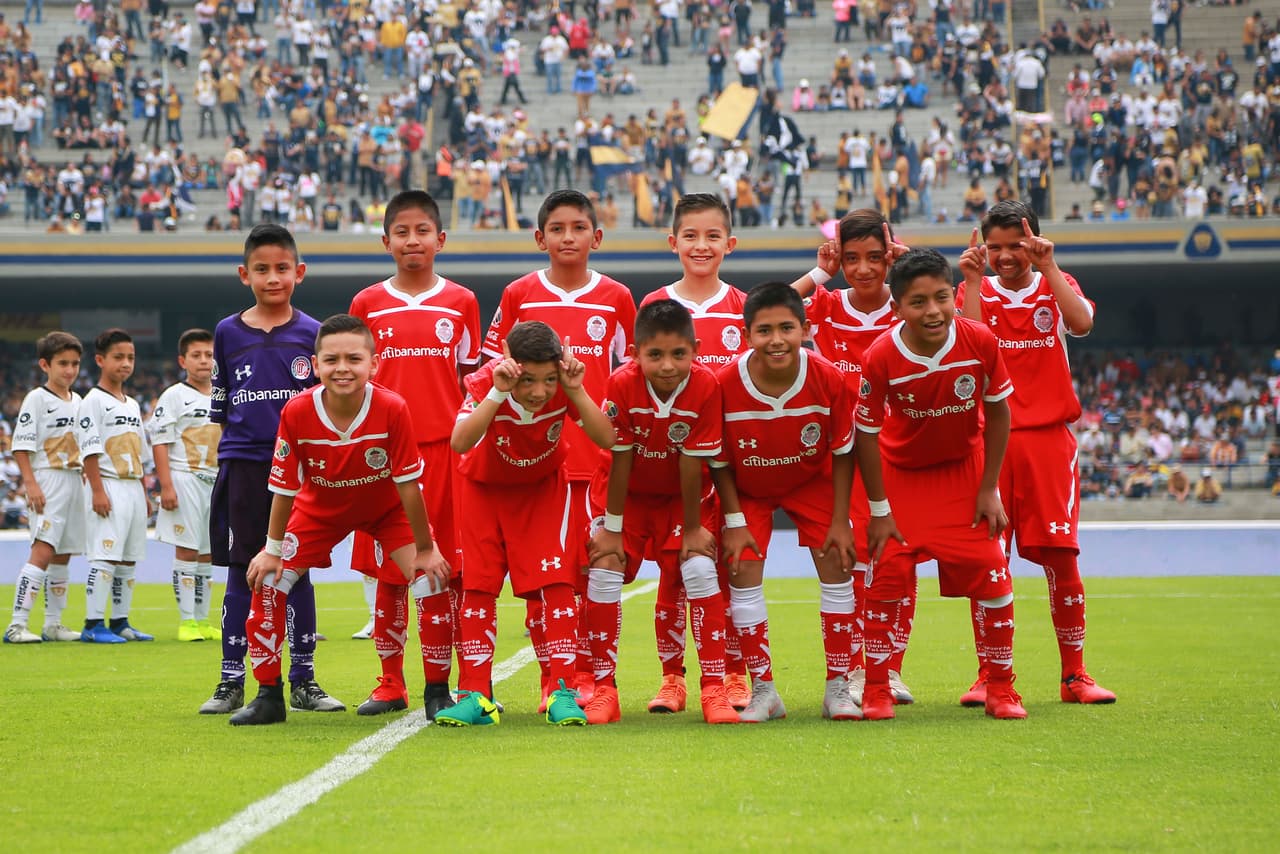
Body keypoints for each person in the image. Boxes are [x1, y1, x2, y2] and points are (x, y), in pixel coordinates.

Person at [230, 315, 451, 726]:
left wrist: (425, 548)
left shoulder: (392, 407)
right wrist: (272, 550)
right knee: (268, 581)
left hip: (386, 511)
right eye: (331, 360)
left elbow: (408, 487)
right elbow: (283, 488)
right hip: (320, 511)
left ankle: (438, 691)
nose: (343, 368)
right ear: (315, 366)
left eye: (354, 358)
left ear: (374, 363)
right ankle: (268, 696)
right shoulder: (297, 412)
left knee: (431, 579)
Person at [480, 190, 637, 711]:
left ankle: (597, 679)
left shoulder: (616, 297)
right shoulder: (518, 294)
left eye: (578, 228)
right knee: (548, 575)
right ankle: (556, 680)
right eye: (557, 228)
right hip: (532, 459)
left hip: (592, 458)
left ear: (597, 236)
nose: (567, 237)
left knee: (593, 573)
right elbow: (492, 375)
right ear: (539, 237)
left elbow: (630, 376)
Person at [957, 200, 1116, 706]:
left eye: (1015, 245)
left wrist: (1048, 266)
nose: (1005, 256)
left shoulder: (1055, 281)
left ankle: (1075, 676)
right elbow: (968, 345)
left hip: (1048, 440)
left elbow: (1084, 324)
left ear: (1035, 241)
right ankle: (989, 675)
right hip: (988, 442)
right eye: (995, 246)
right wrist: (977, 283)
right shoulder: (972, 289)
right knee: (987, 559)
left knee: (1061, 557)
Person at [856, 248, 1025, 720]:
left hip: (965, 475)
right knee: (886, 579)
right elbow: (865, 435)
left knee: (994, 573)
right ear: (897, 308)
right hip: (903, 478)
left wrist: (989, 487)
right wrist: (879, 507)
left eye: (942, 298)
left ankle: (1001, 688)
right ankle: (876, 689)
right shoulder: (882, 355)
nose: (933, 311)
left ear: (956, 296)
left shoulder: (980, 341)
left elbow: (998, 412)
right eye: (918, 302)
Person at [437, 322, 616, 727]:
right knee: (478, 589)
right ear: (509, 363)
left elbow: (606, 437)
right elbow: (460, 442)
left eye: (548, 379)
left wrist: (574, 389)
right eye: (529, 380)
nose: (539, 392)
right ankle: (476, 697)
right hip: (484, 494)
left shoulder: (564, 386)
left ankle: (561, 692)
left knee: (557, 589)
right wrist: (499, 392)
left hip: (542, 494)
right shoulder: (488, 382)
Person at [199, 224, 344, 716]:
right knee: (243, 572)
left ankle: (303, 678)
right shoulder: (226, 332)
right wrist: (226, 463)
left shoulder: (313, 334)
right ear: (245, 274)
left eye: (282, 268)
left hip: (299, 471)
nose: (272, 277)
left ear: (299, 273)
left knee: (295, 572)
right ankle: (231, 679)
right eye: (262, 269)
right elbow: (222, 409)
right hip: (244, 465)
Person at [347, 191, 482, 721]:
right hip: (381, 457)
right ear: (386, 241)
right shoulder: (366, 304)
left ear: (440, 240)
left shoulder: (463, 301)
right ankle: (388, 682)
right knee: (388, 577)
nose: (412, 241)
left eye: (422, 231)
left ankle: (440, 682)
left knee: (443, 569)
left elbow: (472, 382)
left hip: (444, 454)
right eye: (402, 232)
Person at [584, 300, 740, 725]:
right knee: (604, 566)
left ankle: (709, 687)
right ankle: (603, 689)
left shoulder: (707, 386)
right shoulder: (621, 383)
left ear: (696, 349)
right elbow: (620, 457)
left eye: (678, 354)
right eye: (655, 355)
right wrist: (612, 529)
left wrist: (692, 528)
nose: (667, 365)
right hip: (626, 494)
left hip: (680, 496)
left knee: (696, 569)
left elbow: (693, 461)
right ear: (634, 353)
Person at [711, 282, 860, 723]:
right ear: (746, 335)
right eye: (764, 330)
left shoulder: (828, 377)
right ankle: (764, 690)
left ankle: (837, 686)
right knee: (741, 568)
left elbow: (843, 451)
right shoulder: (723, 384)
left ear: (805, 329)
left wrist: (840, 519)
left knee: (838, 561)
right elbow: (718, 462)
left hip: (810, 482)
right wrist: (735, 520)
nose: (776, 339)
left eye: (786, 328)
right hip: (749, 488)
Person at [788, 209, 916, 707]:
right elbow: (764, 310)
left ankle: (892, 667)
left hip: (897, 450)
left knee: (896, 562)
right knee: (856, 561)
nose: (864, 269)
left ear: (890, 255)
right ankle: (861, 667)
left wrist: (908, 274)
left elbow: (948, 318)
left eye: (876, 258)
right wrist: (820, 272)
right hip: (842, 452)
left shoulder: (906, 305)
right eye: (851, 258)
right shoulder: (827, 303)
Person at [637, 193, 751, 712]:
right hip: (671, 471)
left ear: (729, 243)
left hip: (728, 472)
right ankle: (672, 678)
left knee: (731, 574)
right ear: (673, 243)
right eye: (690, 236)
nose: (700, 246)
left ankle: (733, 673)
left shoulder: (743, 308)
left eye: (711, 236)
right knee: (672, 575)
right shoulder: (655, 306)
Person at [5, 332, 86, 644]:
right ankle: (17, 624)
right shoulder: (36, 399)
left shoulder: (78, 401)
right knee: (43, 549)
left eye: (74, 364)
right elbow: (21, 445)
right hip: (47, 478)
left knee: (63, 553)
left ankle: (53, 624)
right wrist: (31, 484)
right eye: (62, 363)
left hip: (73, 478)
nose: (69, 370)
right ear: (45, 365)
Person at [78, 329, 154, 644]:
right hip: (107, 483)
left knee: (127, 557)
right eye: (118, 357)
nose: (125, 363)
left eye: (130, 358)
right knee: (105, 554)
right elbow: (89, 449)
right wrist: (97, 490)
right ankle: (93, 623)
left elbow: (138, 451)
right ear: (100, 360)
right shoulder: (92, 401)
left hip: (132, 486)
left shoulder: (132, 404)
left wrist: (144, 493)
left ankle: (120, 620)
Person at [149, 329, 222, 642]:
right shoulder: (174, 395)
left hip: (215, 481)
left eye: (208, 354)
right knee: (188, 549)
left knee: (208, 552)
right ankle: (186, 621)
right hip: (184, 477)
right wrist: (166, 486)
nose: (204, 360)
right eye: (196, 355)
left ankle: (203, 620)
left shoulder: (222, 393)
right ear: (183, 360)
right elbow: (160, 441)